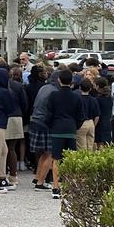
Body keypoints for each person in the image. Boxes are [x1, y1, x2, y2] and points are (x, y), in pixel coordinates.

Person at [47, 67, 84, 199]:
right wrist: (75, 126)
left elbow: (48, 113)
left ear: (58, 80)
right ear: (72, 81)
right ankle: (68, 186)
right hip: (71, 129)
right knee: (69, 159)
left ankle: (56, 187)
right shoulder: (76, 97)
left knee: (56, 159)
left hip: (57, 128)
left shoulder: (53, 95)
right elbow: (80, 116)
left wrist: (51, 126)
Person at [5, 65, 29, 185]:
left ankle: (2, 172)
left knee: (1, 148)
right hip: (16, 116)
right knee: (12, 148)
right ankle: (13, 175)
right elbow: (24, 103)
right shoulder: (19, 86)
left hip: (2, 117)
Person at [77, 79, 97, 151]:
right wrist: (94, 124)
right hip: (91, 122)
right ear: (90, 89)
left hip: (81, 123)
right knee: (90, 145)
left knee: (81, 146)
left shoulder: (77, 99)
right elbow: (97, 115)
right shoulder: (94, 100)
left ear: (80, 88)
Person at [95, 76, 114, 146]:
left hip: (100, 124)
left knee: (99, 143)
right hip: (108, 123)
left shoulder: (97, 99)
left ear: (97, 86)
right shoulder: (110, 98)